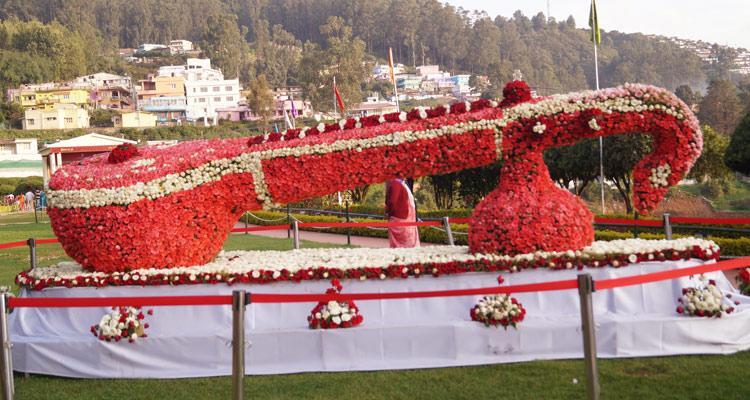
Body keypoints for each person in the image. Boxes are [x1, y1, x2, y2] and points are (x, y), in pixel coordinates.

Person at [385, 178, 420, 248]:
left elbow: (392, 202)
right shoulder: (398, 183)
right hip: (403, 219)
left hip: (404, 220)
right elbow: (392, 202)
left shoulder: (399, 183)